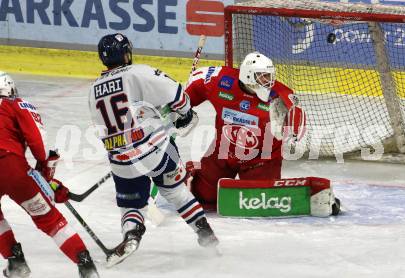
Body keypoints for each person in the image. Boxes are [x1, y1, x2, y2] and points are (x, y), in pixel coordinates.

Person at [89, 33, 218, 266]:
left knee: (131, 204)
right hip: (157, 151)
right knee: (175, 191)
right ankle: (204, 232)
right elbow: (179, 96)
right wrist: (184, 114)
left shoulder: (93, 90)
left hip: (121, 160)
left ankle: (132, 235)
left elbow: (108, 127)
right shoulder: (138, 71)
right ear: (126, 53)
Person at [185, 52, 338, 213]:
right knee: (205, 197)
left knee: (261, 203)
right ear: (248, 76)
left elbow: (297, 115)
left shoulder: (279, 95)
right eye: (263, 76)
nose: (269, 81)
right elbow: (196, 81)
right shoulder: (220, 81)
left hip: (261, 159)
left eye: (270, 76)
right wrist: (181, 105)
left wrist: (292, 128)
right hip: (222, 152)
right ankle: (190, 173)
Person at [0, 72, 99, 277]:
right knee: (49, 219)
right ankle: (85, 265)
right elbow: (40, 146)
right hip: (11, 167)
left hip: (12, 168)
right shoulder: (15, 104)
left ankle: (15, 261)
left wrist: (46, 183)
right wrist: (47, 181)